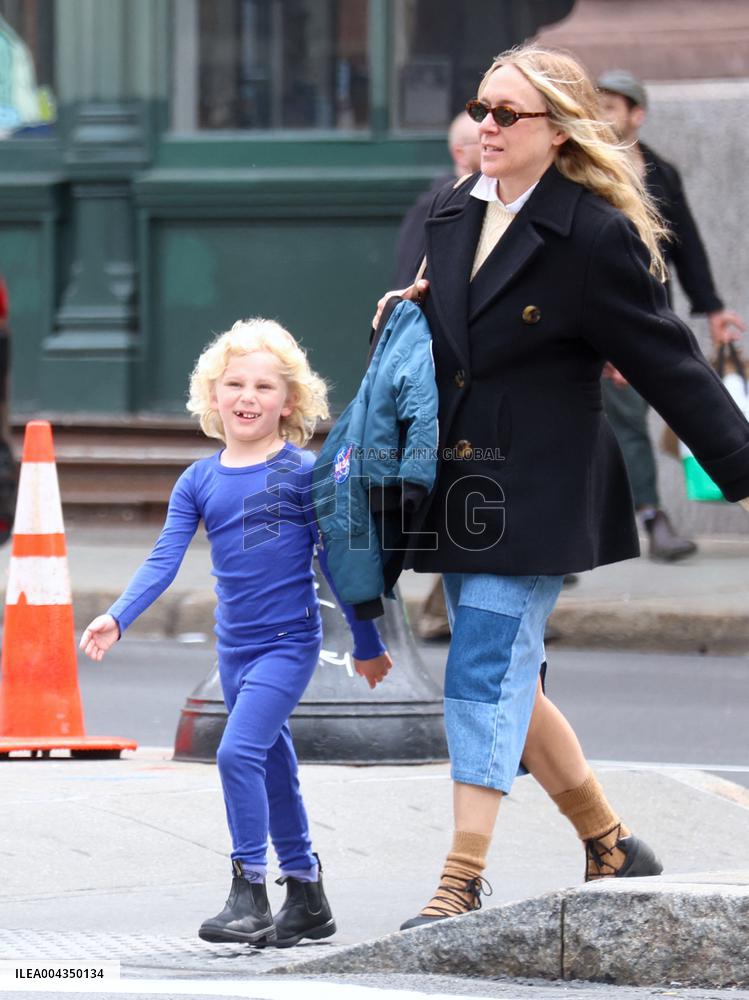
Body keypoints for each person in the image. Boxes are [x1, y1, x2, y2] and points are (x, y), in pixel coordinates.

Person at [371, 44, 749, 930]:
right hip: (459, 484)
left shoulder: (592, 233)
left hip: (540, 481)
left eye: (507, 113)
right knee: (503, 672)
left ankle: (459, 879)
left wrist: (740, 470)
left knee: (480, 667)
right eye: (480, 107)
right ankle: (611, 842)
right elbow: (427, 340)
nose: (485, 127)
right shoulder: (448, 210)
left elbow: (669, 363)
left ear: (557, 129)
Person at [79, 318, 391, 947]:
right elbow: (165, 557)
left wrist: (367, 641)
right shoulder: (198, 479)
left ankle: (248, 891)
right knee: (273, 766)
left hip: (288, 644)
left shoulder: (302, 473)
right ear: (212, 396)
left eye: (264, 387)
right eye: (235, 384)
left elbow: (337, 561)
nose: (248, 397)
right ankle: (306, 896)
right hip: (236, 649)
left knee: (237, 752)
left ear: (290, 402)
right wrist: (119, 614)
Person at [596, 69, 747, 561]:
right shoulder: (584, 171)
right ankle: (649, 516)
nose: (602, 114)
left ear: (637, 114)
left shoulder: (660, 172)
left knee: (686, 404)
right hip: (601, 318)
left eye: (613, 106)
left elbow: (688, 248)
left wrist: (714, 308)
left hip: (653, 318)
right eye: (597, 104)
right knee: (627, 420)